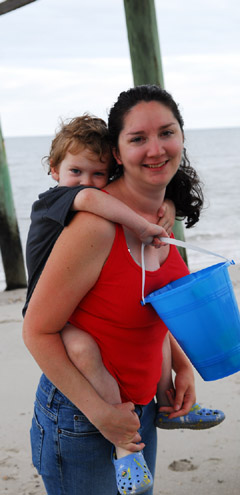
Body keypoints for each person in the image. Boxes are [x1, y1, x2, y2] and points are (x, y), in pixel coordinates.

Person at [23, 85, 224, 495]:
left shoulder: (161, 219)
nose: (155, 149)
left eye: (166, 132)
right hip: (84, 416)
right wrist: (101, 415)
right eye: (137, 138)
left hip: (140, 408)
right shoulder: (95, 225)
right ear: (118, 152)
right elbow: (36, 331)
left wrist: (180, 365)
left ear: (182, 138)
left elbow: (148, 308)